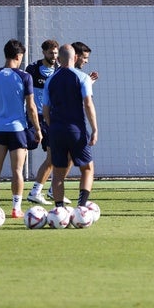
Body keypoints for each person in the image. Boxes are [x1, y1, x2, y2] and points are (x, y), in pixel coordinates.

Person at [0, 39, 42, 218]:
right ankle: (16, 209)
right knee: (17, 171)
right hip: (18, 131)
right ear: (18, 56)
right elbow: (31, 107)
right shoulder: (25, 76)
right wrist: (38, 130)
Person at [43, 44, 98, 208]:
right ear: (75, 58)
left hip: (56, 130)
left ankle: (59, 210)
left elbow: (45, 110)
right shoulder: (82, 77)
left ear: (58, 60)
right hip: (76, 130)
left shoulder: (50, 80)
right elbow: (88, 104)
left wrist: (53, 127)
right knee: (87, 169)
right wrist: (94, 129)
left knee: (58, 173)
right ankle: (81, 207)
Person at [25, 39, 61, 205]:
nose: (54, 56)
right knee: (23, 149)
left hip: (51, 119)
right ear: (44, 52)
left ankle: (42, 191)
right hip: (34, 118)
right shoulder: (32, 69)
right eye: (51, 53)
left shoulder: (59, 70)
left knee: (53, 156)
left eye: (56, 53)